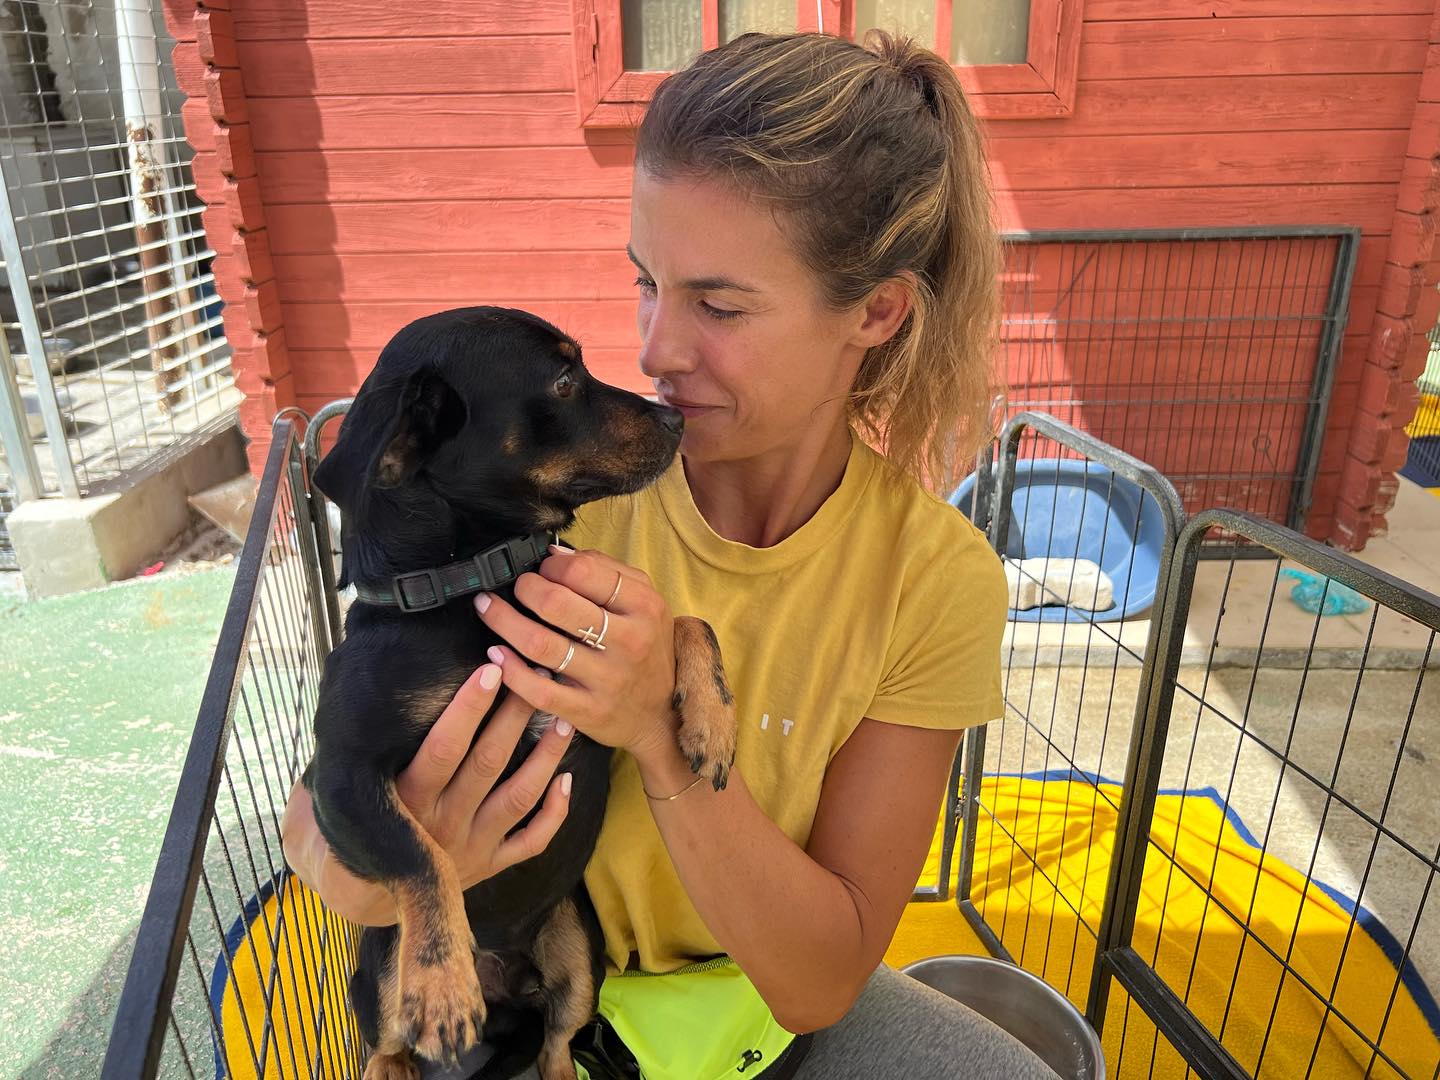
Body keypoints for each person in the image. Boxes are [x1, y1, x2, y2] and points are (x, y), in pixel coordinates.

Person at [283, 29, 1055, 1080]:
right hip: (523, 984)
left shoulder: (933, 580)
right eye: (647, 282)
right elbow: (318, 827)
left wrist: (655, 726)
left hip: (748, 1013)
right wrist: (407, 878)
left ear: (876, 311)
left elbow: (819, 984)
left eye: (718, 305)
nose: (653, 349)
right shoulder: (557, 502)